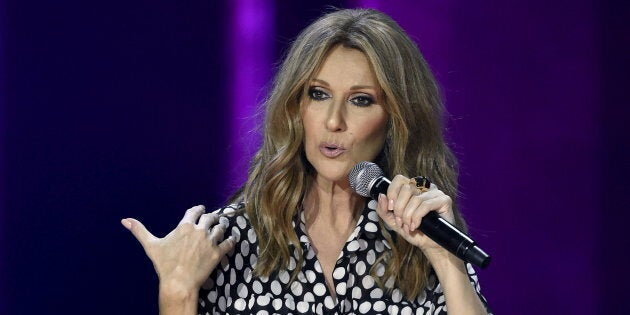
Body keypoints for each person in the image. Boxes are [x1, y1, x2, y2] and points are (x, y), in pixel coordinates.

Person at [121, 8, 492, 315]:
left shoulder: (423, 237)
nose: (333, 121)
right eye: (318, 94)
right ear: (296, 108)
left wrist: (446, 260)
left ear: (395, 119)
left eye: (360, 100)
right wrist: (177, 292)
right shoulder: (233, 239)